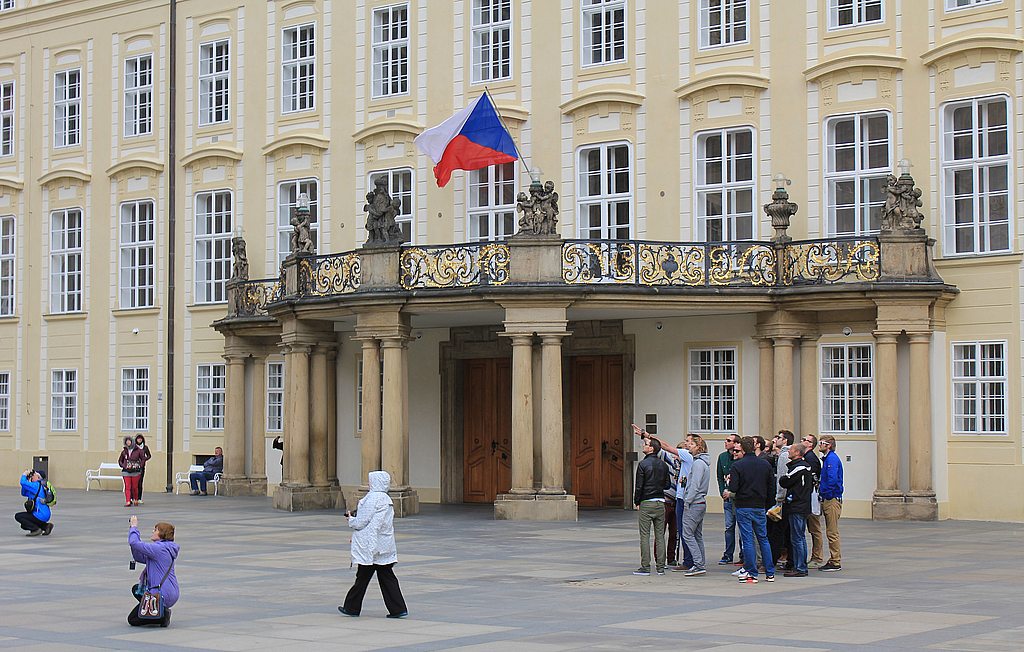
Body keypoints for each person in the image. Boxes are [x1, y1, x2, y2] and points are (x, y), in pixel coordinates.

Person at [338, 471, 409, 618]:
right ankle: (398, 609)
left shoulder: (372, 498)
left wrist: (351, 519)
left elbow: (362, 522)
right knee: (386, 577)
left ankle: (352, 607)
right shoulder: (386, 499)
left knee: (363, 577)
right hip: (383, 544)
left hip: (370, 545)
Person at [632, 424, 691, 569]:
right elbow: (661, 446)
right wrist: (646, 435)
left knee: (674, 533)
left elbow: (639, 485)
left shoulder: (688, 463)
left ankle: (669, 559)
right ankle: (660, 562)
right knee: (660, 532)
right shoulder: (668, 461)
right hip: (665, 500)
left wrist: (637, 500)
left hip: (676, 501)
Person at [724, 436, 775, 584]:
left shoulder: (738, 466)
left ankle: (752, 572)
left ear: (743, 449)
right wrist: (768, 504)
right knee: (763, 539)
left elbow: (734, 488)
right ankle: (770, 572)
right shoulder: (765, 464)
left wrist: (730, 482)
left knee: (748, 540)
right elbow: (771, 487)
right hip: (759, 505)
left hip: (744, 505)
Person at [127, 515, 179, 627]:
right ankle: (159, 611)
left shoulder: (159, 549)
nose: (153, 531)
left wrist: (134, 527)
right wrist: (135, 547)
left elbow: (134, 543)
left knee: (133, 620)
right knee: (137, 589)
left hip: (161, 593)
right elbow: (139, 556)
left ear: (162, 534)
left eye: (155, 530)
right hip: (170, 591)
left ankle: (162, 616)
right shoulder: (164, 548)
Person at [632, 436, 670, 576]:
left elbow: (639, 486)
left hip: (647, 502)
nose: (643, 445)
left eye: (646, 444)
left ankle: (645, 566)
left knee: (645, 535)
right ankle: (660, 567)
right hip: (660, 502)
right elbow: (667, 484)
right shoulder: (663, 464)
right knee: (660, 536)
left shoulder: (643, 464)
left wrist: (637, 501)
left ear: (651, 448)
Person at [779, 442, 814, 577]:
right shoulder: (804, 467)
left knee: (797, 538)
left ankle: (800, 567)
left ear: (798, 453)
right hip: (802, 505)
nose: (788, 452)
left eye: (791, 450)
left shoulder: (798, 468)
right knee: (800, 537)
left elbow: (784, 481)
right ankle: (801, 565)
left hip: (797, 506)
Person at [678, 435, 711, 576]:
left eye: (691, 444)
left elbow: (695, 485)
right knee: (697, 535)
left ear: (699, 447)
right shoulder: (702, 462)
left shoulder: (698, 464)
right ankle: (700, 563)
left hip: (695, 502)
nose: (688, 446)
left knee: (687, 534)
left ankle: (698, 564)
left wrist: (687, 501)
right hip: (699, 502)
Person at [817, 435, 844, 572]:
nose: (819, 445)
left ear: (828, 445)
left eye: (822, 443)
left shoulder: (831, 459)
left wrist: (826, 493)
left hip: (831, 499)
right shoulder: (828, 459)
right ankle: (834, 558)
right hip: (829, 497)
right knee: (830, 530)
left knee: (832, 531)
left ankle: (835, 560)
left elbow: (832, 479)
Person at [716, 434, 740, 565]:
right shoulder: (722, 457)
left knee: (742, 529)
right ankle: (728, 554)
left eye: (729, 441)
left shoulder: (739, 458)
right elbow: (720, 477)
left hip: (738, 498)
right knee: (729, 526)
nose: (726, 442)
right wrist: (722, 491)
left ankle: (743, 554)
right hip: (727, 498)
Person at [801, 434, 825, 567]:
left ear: (810, 444)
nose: (802, 441)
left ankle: (817, 556)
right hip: (808, 497)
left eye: (805, 440)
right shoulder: (807, 457)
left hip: (811, 497)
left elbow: (812, 479)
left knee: (814, 528)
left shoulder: (811, 458)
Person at [16, 469, 54, 536]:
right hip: (42, 514)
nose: (32, 476)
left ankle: (36, 529)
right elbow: (24, 493)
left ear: (38, 477)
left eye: (34, 475)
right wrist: (28, 480)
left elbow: (22, 482)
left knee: (18, 516)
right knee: (24, 525)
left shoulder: (36, 485)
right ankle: (46, 526)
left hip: (40, 514)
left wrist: (25, 474)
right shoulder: (37, 487)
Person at [119, 436, 146, 507]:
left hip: (135, 471)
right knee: (127, 486)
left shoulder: (138, 450)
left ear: (132, 442)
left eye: (129, 441)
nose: (128, 442)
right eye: (126, 441)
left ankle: (136, 499)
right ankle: (128, 501)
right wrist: (123, 465)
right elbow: (120, 460)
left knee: (134, 487)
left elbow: (143, 459)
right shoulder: (124, 451)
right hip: (126, 471)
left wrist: (140, 466)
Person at [134, 434, 152, 504]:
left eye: (141, 439)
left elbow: (149, 455)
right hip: (134, 467)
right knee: (134, 483)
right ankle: (133, 498)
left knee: (140, 483)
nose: (139, 440)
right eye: (138, 439)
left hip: (141, 467)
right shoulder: (134, 447)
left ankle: (139, 498)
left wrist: (144, 459)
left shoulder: (145, 447)